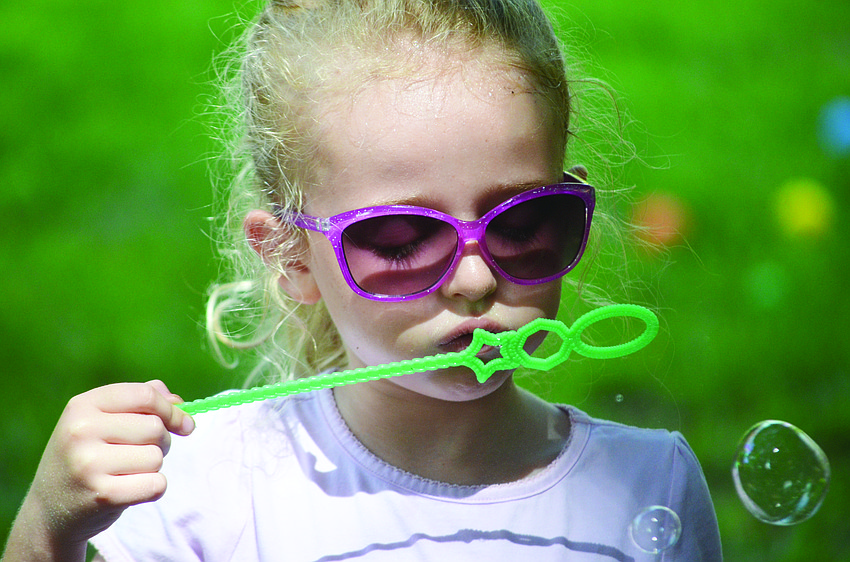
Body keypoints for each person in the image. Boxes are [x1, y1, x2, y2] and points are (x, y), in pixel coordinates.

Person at [2, 0, 723, 560]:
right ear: (291, 256)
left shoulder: (648, 489)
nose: (474, 277)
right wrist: (45, 533)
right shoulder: (201, 490)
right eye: (402, 239)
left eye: (523, 222)